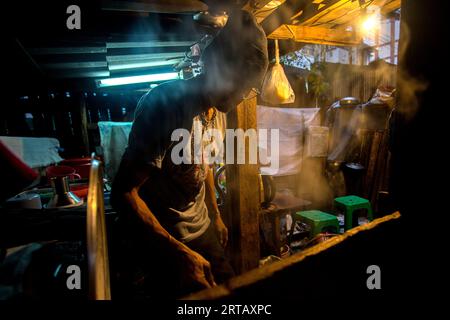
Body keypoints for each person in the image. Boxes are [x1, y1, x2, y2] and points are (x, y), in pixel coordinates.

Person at [110, 9, 268, 298]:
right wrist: (179, 254)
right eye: (237, 83)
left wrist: (216, 216)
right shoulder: (165, 105)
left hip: (202, 229)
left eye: (247, 89)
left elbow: (202, 165)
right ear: (215, 65)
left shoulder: (217, 111)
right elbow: (123, 194)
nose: (240, 96)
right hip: (162, 239)